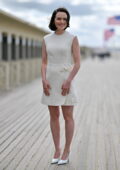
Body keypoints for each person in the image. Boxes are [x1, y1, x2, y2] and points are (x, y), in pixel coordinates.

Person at [41, 7, 80, 165]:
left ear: (67, 21)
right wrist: (43, 79)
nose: (62, 21)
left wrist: (68, 80)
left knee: (68, 116)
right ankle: (57, 149)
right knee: (54, 116)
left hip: (66, 79)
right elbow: (44, 62)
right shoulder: (46, 39)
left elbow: (77, 63)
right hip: (50, 80)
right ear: (54, 20)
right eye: (59, 18)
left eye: (65, 19)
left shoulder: (72, 38)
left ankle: (66, 150)